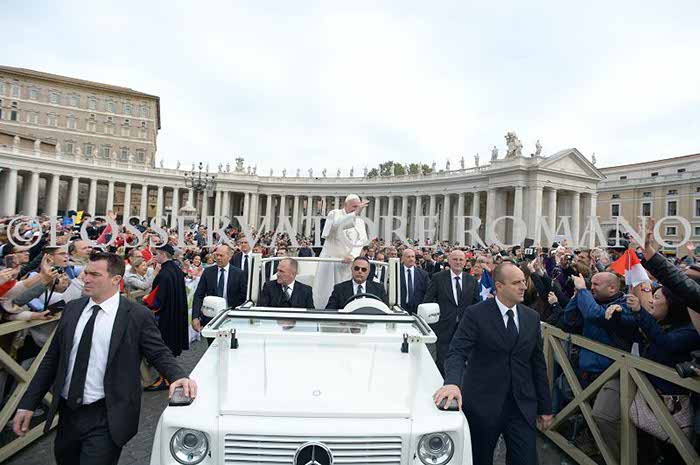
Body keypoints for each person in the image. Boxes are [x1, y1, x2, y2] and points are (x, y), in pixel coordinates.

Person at [12, 251, 197, 465]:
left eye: (95, 274)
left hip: (107, 415)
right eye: (86, 272)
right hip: (67, 415)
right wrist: (27, 403)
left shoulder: (136, 315)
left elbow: (158, 352)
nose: (86, 278)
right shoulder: (72, 309)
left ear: (116, 280)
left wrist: (178, 376)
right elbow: (52, 359)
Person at [434, 262, 552, 465]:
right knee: (479, 459)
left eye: (524, 281)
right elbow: (457, 352)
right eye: (516, 283)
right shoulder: (475, 314)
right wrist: (452, 382)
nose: (523, 287)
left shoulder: (531, 317)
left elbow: (538, 364)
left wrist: (545, 407)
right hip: (483, 405)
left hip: (521, 406)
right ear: (499, 286)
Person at [422, 250, 480, 375]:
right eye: (455, 259)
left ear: (465, 262)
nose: (458, 262)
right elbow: (428, 300)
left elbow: (476, 305)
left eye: (461, 260)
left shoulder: (472, 280)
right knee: (443, 360)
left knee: (462, 358)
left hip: (464, 327)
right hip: (443, 326)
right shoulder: (438, 278)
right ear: (449, 261)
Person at [145, 244, 189, 390]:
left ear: (163, 254)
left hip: (165, 316)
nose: (154, 257)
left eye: (156, 254)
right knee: (171, 345)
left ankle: (164, 378)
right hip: (176, 314)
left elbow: (157, 299)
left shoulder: (163, 274)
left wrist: (147, 302)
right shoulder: (176, 269)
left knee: (163, 346)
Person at [313, 195, 369, 310]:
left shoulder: (359, 221)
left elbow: (362, 239)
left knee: (345, 293)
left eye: (358, 207)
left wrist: (353, 255)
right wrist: (354, 214)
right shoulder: (334, 213)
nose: (356, 209)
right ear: (345, 204)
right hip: (330, 261)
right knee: (326, 291)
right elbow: (336, 226)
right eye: (354, 206)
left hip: (348, 262)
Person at [192, 244, 247, 333]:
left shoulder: (239, 274)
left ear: (229, 257)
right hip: (211, 318)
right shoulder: (208, 272)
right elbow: (199, 294)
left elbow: (243, 297)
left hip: (231, 318)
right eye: (216, 255)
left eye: (221, 255)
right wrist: (195, 317)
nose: (218, 258)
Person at [399, 248, 430, 314]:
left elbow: (428, 292)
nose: (411, 259)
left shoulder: (423, 274)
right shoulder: (397, 272)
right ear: (403, 258)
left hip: (417, 310)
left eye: (413, 256)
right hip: (400, 308)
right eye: (408, 257)